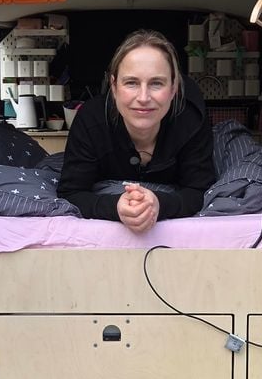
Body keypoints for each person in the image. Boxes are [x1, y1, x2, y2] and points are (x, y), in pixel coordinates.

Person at [58, 29, 215, 233]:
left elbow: (200, 190)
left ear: (174, 87)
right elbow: (71, 192)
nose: (143, 97)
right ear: (114, 87)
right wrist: (115, 207)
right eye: (131, 83)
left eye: (156, 83)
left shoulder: (192, 120)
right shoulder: (91, 121)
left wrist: (159, 204)